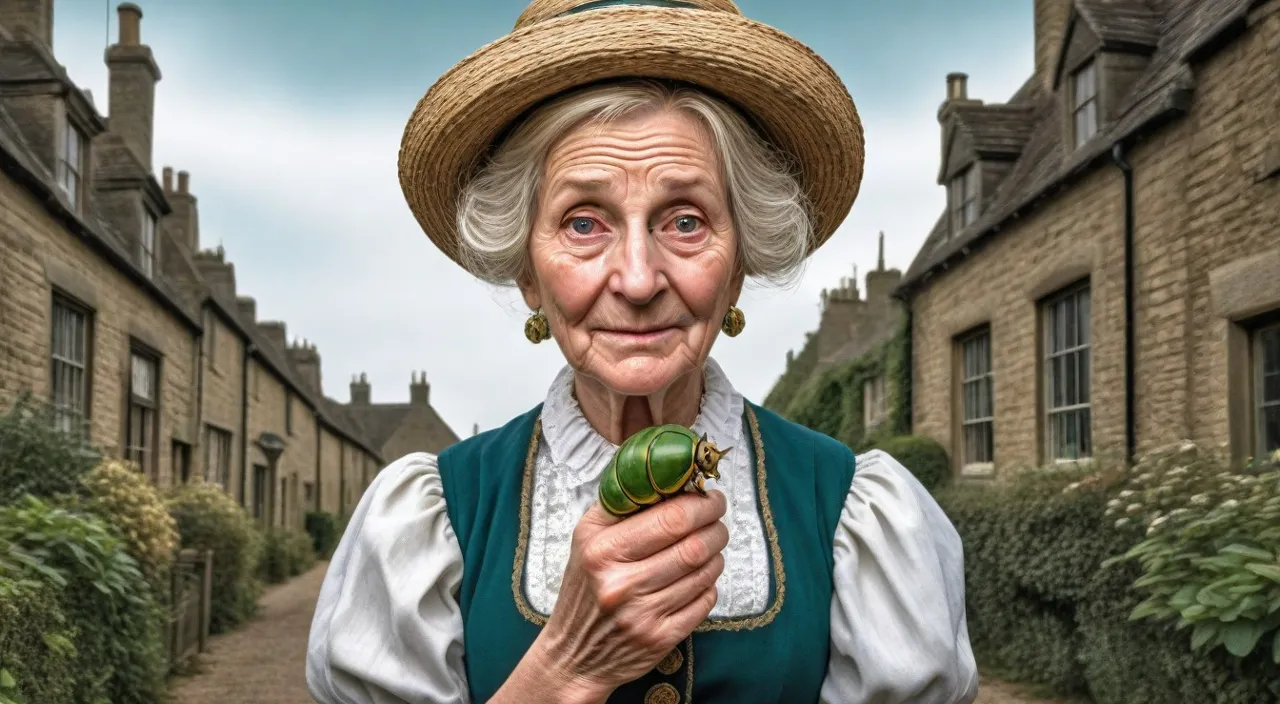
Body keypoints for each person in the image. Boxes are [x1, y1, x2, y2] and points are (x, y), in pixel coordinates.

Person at [307, 1, 979, 702]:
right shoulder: (430, 517)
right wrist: (567, 665)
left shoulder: (854, 511)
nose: (636, 278)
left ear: (739, 263)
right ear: (527, 272)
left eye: (685, 221)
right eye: (584, 222)